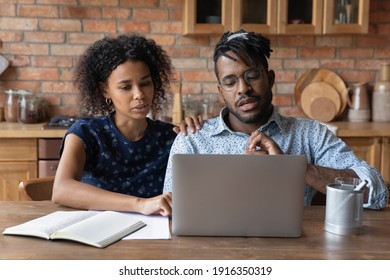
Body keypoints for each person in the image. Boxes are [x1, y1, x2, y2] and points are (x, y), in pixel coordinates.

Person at [163, 29, 388, 210]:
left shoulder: (310, 134)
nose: (243, 89)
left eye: (252, 76)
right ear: (221, 91)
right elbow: (169, 210)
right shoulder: (192, 140)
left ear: (270, 79)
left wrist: (292, 167)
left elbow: (377, 192)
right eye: (231, 82)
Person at [52, 34, 201, 216]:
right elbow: (61, 190)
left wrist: (198, 133)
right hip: (97, 233)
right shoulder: (86, 133)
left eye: (145, 83)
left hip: (156, 238)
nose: (139, 94)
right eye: (126, 87)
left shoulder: (170, 137)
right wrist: (139, 204)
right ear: (105, 90)